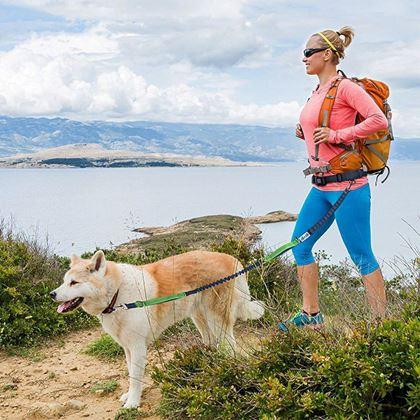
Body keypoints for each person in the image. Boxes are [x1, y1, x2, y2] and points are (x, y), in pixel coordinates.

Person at [279, 27, 388, 332]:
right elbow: (321, 127)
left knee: (362, 256)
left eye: (308, 53)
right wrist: (305, 131)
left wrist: (337, 135)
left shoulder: (347, 88)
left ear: (327, 54)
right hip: (320, 187)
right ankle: (311, 313)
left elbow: (377, 120)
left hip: (349, 188)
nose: (303, 59)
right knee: (299, 245)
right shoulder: (317, 91)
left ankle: (380, 327)